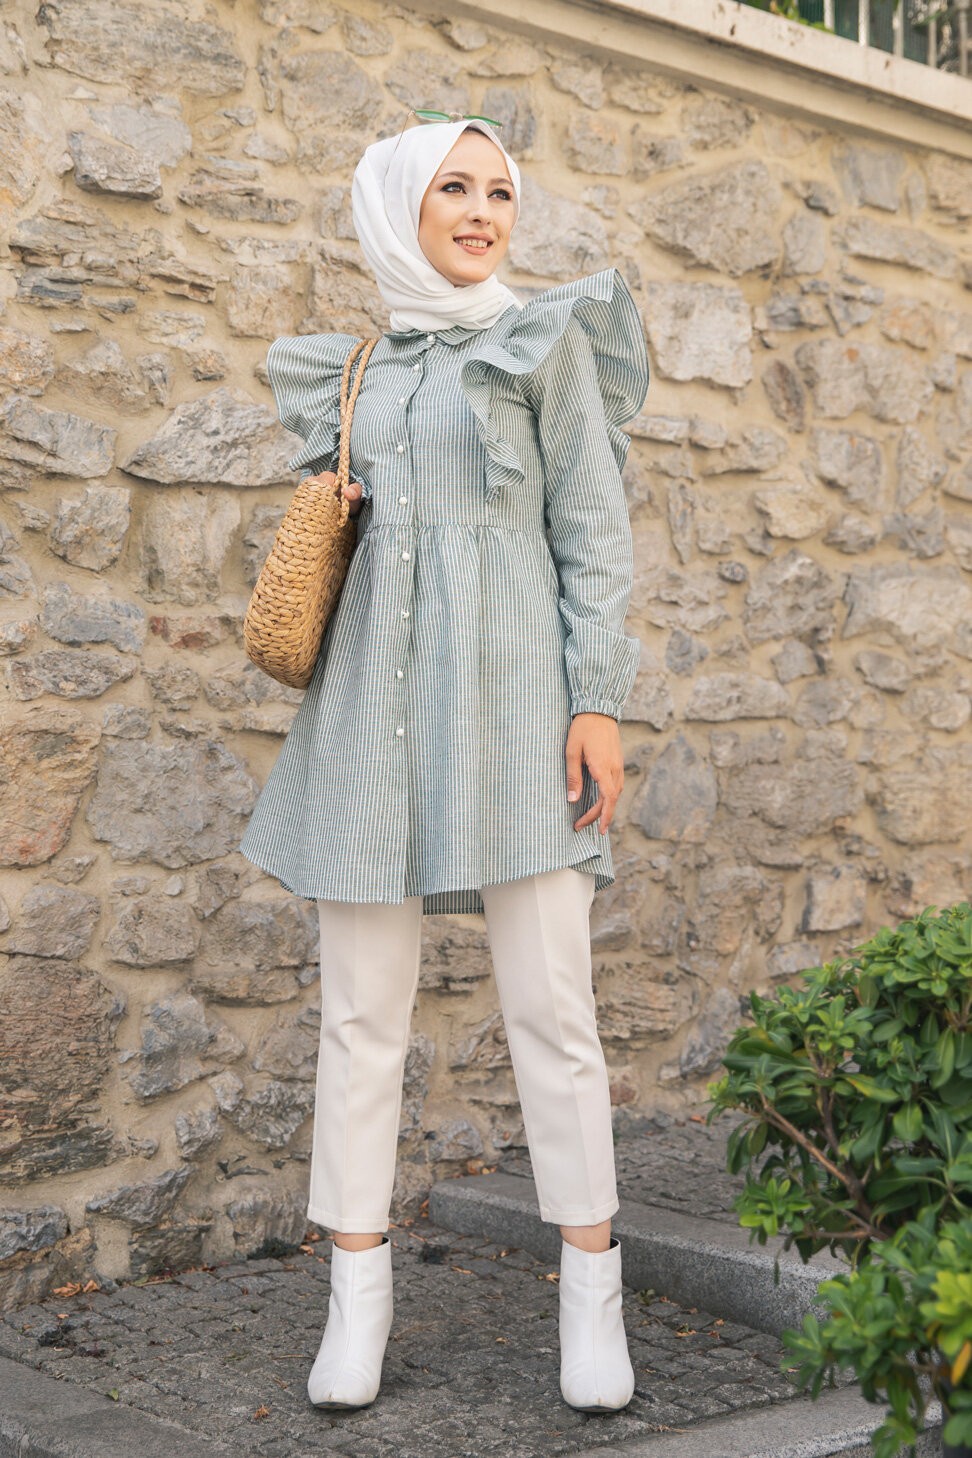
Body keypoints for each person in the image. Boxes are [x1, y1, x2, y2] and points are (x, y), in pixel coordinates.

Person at [237, 108, 650, 1415]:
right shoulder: (359, 367)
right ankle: (355, 1302)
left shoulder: (545, 343)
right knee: (361, 1015)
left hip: (524, 705)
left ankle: (593, 1297)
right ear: (400, 205)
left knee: (555, 1008)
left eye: (500, 192)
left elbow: (594, 535)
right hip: (376, 711)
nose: (482, 213)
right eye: (455, 189)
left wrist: (598, 701)